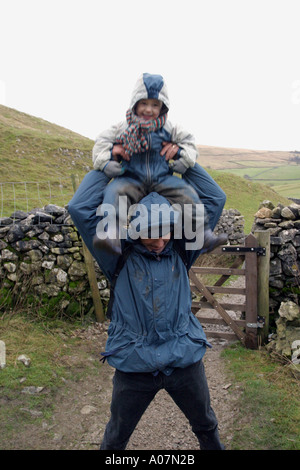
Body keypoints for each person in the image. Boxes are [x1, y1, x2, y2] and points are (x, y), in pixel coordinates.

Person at [68, 186, 226, 450]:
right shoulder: (116, 256)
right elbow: (78, 208)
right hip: (134, 363)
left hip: (183, 359)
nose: (159, 242)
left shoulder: (183, 251)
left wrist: (180, 162)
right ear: (136, 230)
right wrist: (109, 165)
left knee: (206, 426)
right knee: (116, 436)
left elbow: (215, 199)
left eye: (165, 234)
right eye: (150, 235)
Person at [92, 73, 227, 254]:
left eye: (155, 105)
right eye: (144, 103)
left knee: (187, 194)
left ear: (163, 107)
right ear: (135, 103)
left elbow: (189, 141)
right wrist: (105, 161)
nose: (149, 109)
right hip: (131, 178)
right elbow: (101, 141)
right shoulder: (122, 128)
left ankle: (203, 234)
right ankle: (111, 234)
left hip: (162, 177)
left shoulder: (169, 128)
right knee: (113, 192)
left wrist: (184, 158)